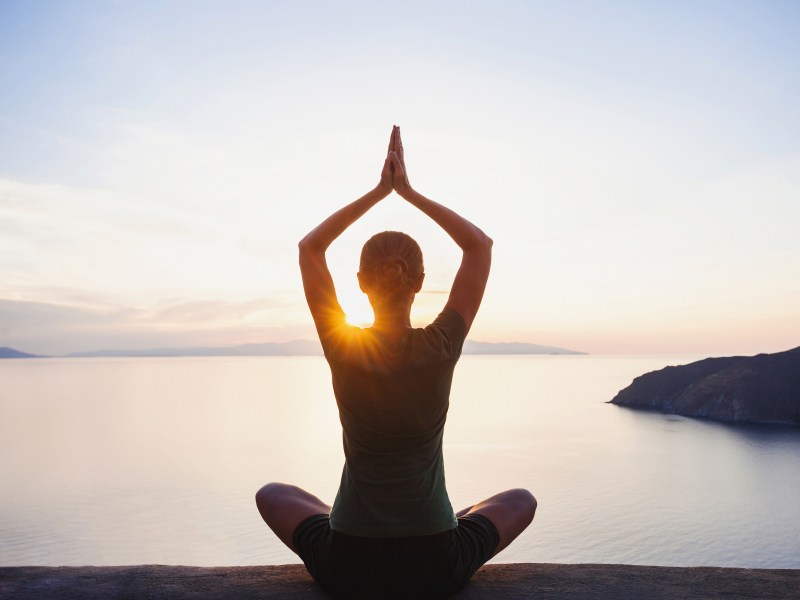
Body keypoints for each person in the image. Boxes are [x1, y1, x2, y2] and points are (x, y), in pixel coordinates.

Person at [256, 126, 536, 599]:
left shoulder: (343, 345)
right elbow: (479, 247)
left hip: (350, 562)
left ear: (361, 282)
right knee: (520, 501)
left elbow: (310, 249)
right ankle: (440, 519)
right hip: (435, 562)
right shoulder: (442, 343)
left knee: (272, 494)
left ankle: (357, 519)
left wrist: (378, 192)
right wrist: (408, 192)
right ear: (420, 281)